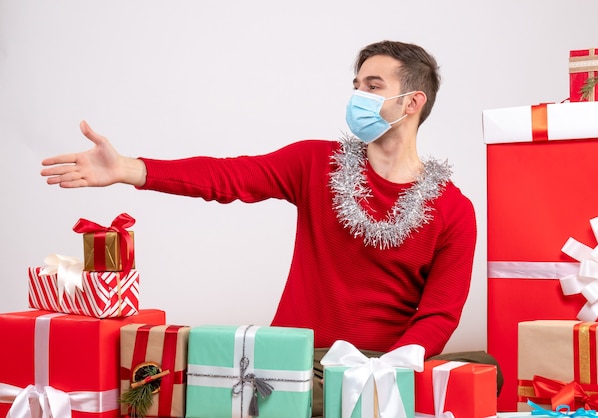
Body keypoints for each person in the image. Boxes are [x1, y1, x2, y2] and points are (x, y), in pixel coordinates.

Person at [41, 40, 501, 416]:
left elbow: (439, 313)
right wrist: (128, 168)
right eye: (356, 85)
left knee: (487, 372)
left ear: (412, 102)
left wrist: (389, 371)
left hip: (388, 363)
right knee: (284, 396)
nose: (357, 95)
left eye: (373, 85)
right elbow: (228, 177)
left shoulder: (454, 209)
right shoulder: (314, 163)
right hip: (300, 362)